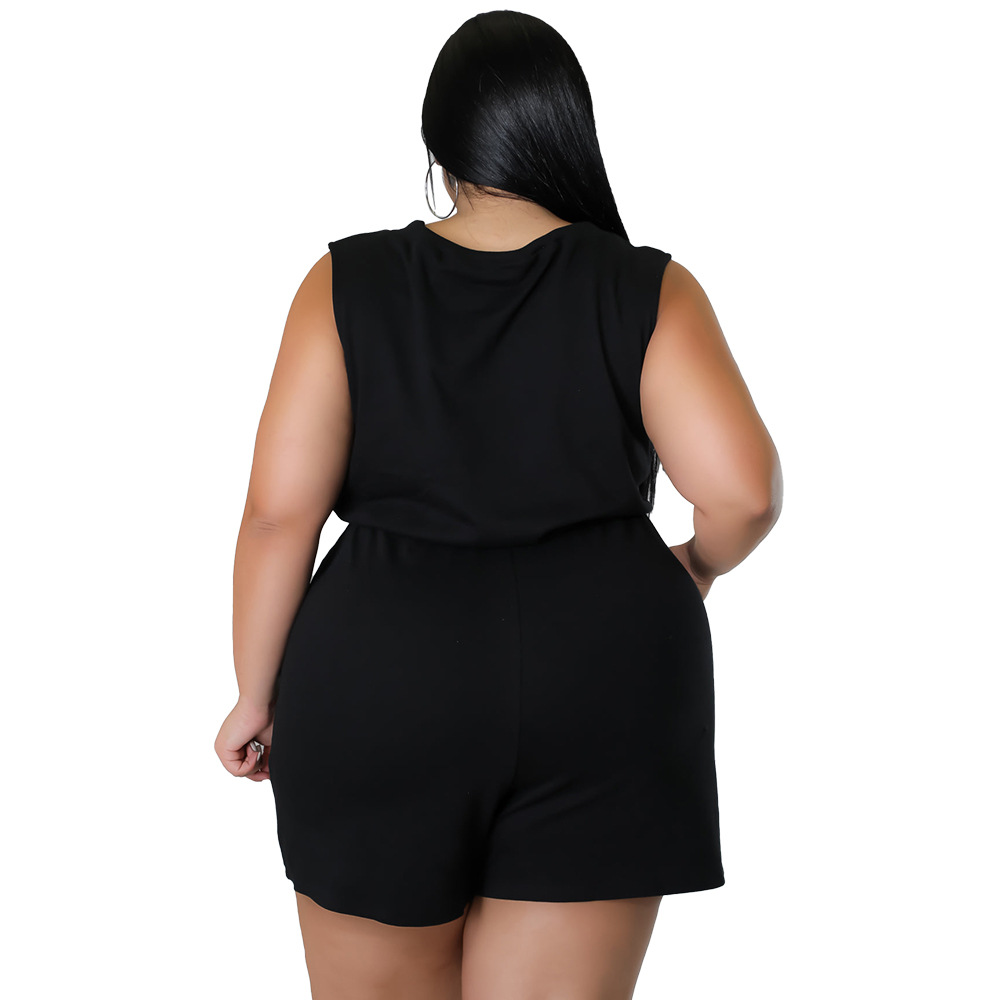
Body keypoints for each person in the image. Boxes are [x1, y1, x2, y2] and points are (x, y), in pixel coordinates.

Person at [214, 10, 781, 999]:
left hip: (382, 675)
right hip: (605, 676)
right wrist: (694, 565)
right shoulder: (645, 287)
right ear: (567, 128)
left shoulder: (346, 282)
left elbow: (277, 516)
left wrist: (256, 695)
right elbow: (742, 492)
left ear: (438, 145)